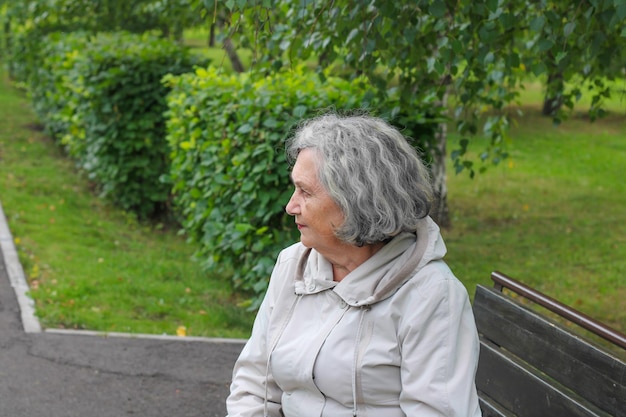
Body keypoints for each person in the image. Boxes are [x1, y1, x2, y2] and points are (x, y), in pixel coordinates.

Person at [226, 113, 482, 417]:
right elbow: (255, 384)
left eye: (305, 192)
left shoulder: (431, 296)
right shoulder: (293, 264)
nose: (291, 206)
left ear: (356, 201)